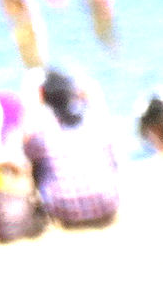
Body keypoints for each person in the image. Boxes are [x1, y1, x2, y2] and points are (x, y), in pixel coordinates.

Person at [23, 68, 120, 228]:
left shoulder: (41, 132)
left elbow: (26, 156)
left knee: (36, 163)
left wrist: (32, 107)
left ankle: (39, 212)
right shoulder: (96, 122)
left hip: (64, 212)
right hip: (108, 204)